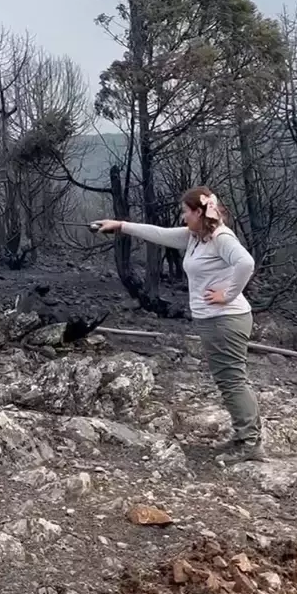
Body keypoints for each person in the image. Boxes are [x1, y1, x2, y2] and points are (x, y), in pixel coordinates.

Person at [93, 186, 263, 464]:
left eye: (186, 211)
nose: (183, 217)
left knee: (232, 381)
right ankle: (247, 435)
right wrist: (121, 226)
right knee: (230, 380)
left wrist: (228, 294)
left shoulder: (221, 238)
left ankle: (249, 442)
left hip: (226, 320)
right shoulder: (196, 237)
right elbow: (158, 233)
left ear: (199, 211)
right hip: (214, 320)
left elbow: (246, 263)